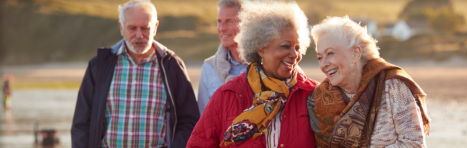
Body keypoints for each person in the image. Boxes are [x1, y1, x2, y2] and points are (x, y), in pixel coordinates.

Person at [187, 1, 317, 148]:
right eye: (286, 46)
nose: (295, 54)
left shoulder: (313, 94)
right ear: (261, 48)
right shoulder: (226, 94)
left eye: (298, 47)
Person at [71, 1, 199, 147]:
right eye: (132, 28)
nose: (139, 35)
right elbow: (81, 124)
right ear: (121, 27)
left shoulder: (172, 66)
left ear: (155, 27)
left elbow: (188, 121)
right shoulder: (99, 66)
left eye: (145, 28)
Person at [308, 16, 431, 148]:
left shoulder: (392, 87)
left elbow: (414, 143)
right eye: (320, 58)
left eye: (330, 53)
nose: (324, 64)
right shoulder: (318, 99)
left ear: (355, 53)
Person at [197, 0, 248, 115]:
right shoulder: (209, 68)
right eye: (219, 22)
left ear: (246, 24)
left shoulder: (266, 65)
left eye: (229, 21)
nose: (222, 28)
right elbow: (203, 120)